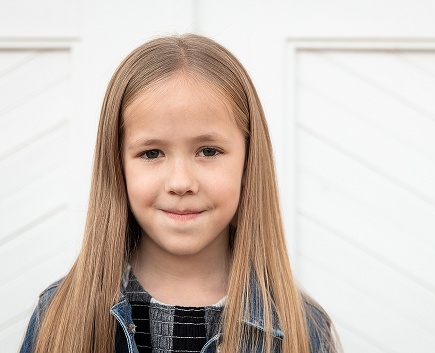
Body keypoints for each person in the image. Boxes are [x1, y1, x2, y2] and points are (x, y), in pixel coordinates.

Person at [20, 34, 339, 353]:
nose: (181, 182)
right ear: (117, 164)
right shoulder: (59, 318)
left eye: (209, 151)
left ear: (249, 161)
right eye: (152, 153)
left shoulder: (304, 332)